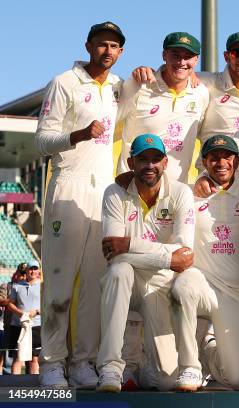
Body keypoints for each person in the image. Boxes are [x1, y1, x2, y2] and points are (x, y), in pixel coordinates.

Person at [35, 21, 125, 389]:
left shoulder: (120, 87)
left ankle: (84, 361)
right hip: (68, 186)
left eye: (115, 46)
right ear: (88, 46)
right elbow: (41, 141)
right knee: (59, 283)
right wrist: (78, 134)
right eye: (102, 44)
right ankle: (53, 363)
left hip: (103, 192)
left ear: (121, 52)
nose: (107, 51)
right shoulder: (64, 83)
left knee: (94, 283)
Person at [96, 134, 195, 392]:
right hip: (129, 279)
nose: (149, 166)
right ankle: (110, 368)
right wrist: (166, 257)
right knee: (119, 271)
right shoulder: (114, 193)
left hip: (159, 286)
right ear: (131, 162)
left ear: (165, 163)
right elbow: (113, 253)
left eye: (155, 159)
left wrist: (129, 244)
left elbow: (184, 254)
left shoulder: (182, 192)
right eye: (142, 160)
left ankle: (139, 367)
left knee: (166, 381)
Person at [171, 135, 239, 391]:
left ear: (237, 161)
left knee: (238, 380)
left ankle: (208, 349)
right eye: (214, 157)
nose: (221, 162)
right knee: (183, 286)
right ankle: (190, 367)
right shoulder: (188, 192)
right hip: (203, 282)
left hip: (238, 294)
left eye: (227, 156)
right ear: (204, 162)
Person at [117, 32, 209, 183]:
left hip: (175, 193)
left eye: (188, 56)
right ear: (164, 55)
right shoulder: (139, 84)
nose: (181, 61)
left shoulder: (201, 93)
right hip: (133, 188)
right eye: (176, 55)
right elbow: (108, 121)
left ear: (196, 60)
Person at [5, 260, 42, 374]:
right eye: (30, 268)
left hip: (36, 325)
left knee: (34, 359)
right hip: (18, 325)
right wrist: (19, 312)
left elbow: (47, 305)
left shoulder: (43, 285)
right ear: (26, 270)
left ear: (38, 271)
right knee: (17, 357)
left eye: (35, 268)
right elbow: (10, 303)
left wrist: (37, 311)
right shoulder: (16, 286)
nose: (32, 271)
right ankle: (13, 386)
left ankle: (34, 385)